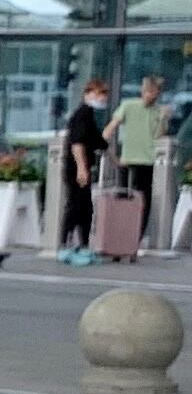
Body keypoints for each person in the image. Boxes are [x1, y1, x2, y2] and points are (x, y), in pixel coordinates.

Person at [105, 74, 169, 219]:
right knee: (123, 199)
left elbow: (160, 138)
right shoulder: (128, 106)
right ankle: (121, 228)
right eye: (147, 91)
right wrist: (111, 155)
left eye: (154, 92)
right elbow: (111, 128)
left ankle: (138, 230)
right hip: (128, 160)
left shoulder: (159, 111)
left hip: (148, 161)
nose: (150, 95)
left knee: (144, 201)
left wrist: (163, 119)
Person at [59, 75, 108, 264]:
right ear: (88, 93)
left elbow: (100, 142)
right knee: (76, 205)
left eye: (104, 94)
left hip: (83, 167)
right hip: (77, 168)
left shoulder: (89, 116)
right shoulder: (82, 115)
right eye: (99, 93)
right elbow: (77, 144)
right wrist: (81, 168)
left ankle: (82, 243)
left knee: (86, 207)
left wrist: (116, 160)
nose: (102, 98)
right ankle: (66, 243)